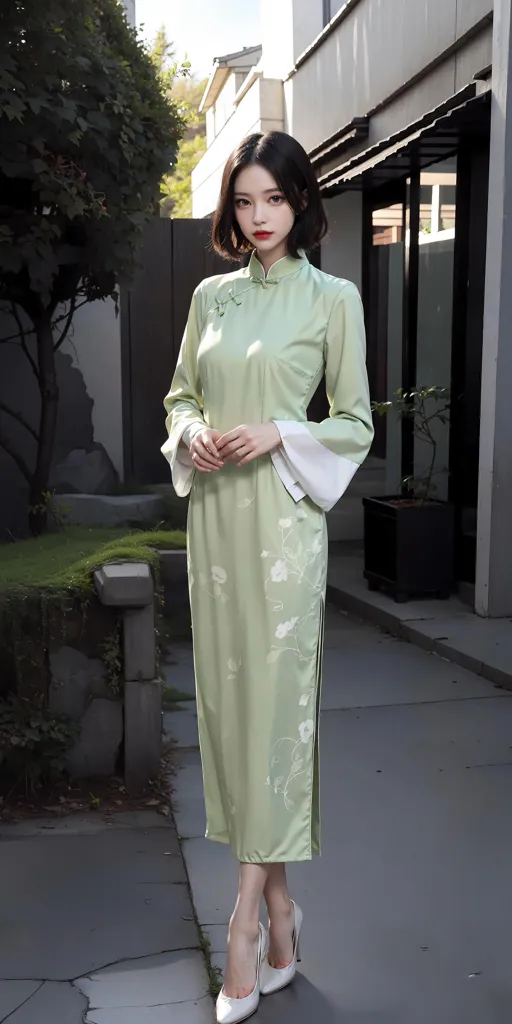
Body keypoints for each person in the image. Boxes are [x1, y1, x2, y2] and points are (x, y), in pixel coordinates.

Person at [161, 130, 374, 1023]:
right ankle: (288, 914)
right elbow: (179, 397)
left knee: (277, 718)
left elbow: (356, 421)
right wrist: (193, 435)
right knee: (234, 718)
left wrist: (281, 430)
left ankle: (245, 922)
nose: (258, 218)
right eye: (244, 201)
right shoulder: (209, 297)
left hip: (284, 534)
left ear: (301, 203)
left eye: (274, 201)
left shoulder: (335, 299)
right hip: (214, 529)